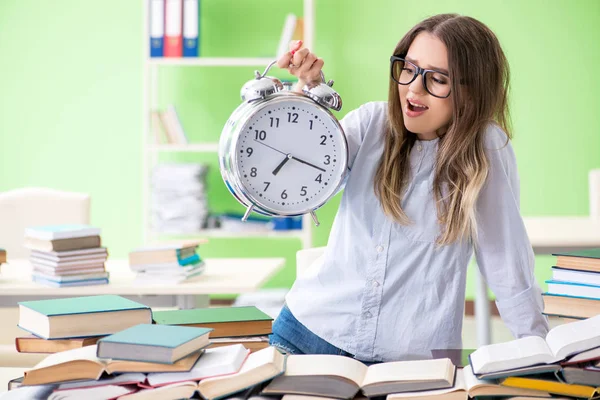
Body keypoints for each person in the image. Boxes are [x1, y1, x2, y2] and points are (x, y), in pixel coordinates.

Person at [269, 13, 549, 363]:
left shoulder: (485, 151)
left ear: (472, 93)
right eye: (409, 69)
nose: (414, 89)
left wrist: (544, 357)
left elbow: (507, 264)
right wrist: (307, 92)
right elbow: (299, 174)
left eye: (438, 79)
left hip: (412, 361)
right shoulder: (371, 123)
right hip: (308, 333)